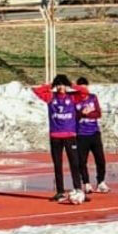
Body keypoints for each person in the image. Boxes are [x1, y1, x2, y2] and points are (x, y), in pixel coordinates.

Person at [33, 74, 89, 203]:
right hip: (55, 136)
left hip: (70, 135)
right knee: (57, 165)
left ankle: (78, 190)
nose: (60, 87)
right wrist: (51, 85)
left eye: (62, 84)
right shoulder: (50, 97)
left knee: (74, 164)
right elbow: (37, 91)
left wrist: (71, 85)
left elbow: (85, 91)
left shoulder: (72, 97)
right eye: (58, 85)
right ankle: (60, 192)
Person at [75, 77, 110, 195]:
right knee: (82, 161)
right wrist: (81, 114)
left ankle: (101, 182)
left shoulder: (92, 97)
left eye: (85, 88)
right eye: (81, 88)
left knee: (100, 159)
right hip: (81, 135)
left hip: (94, 133)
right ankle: (86, 183)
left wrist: (88, 114)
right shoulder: (74, 99)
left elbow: (98, 113)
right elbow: (73, 116)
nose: (84, 91)